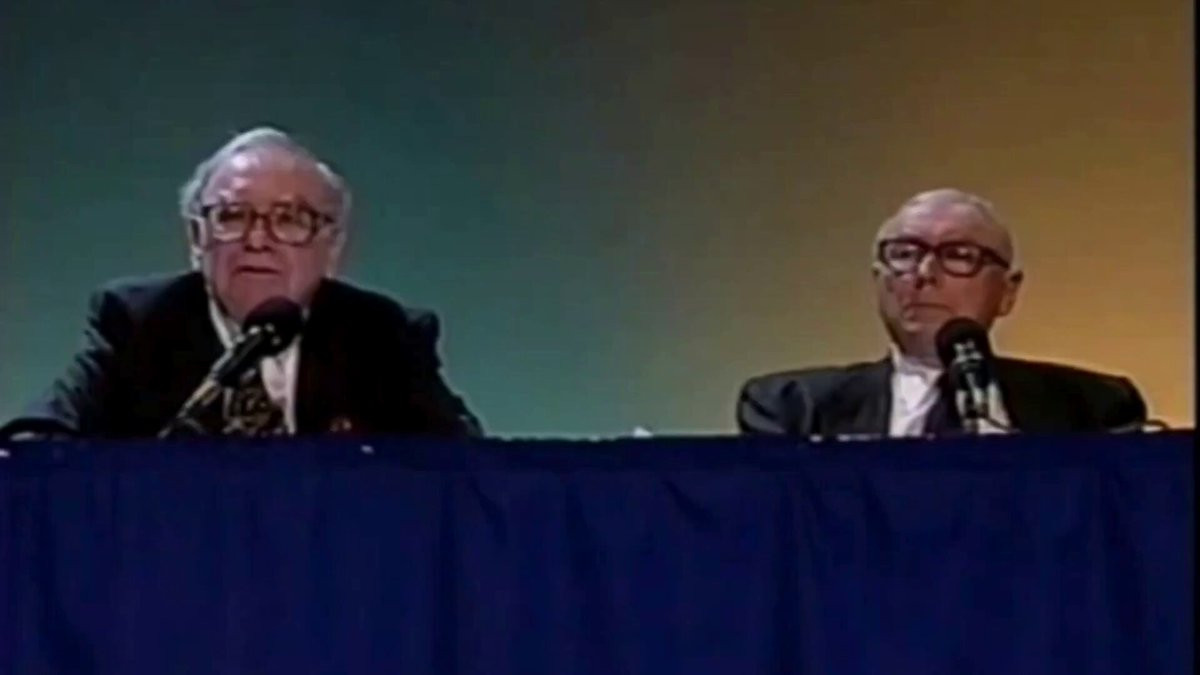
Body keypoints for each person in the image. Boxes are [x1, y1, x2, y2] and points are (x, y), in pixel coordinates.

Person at [2, 126, 482, 439]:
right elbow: (37, 441)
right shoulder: (139, 323)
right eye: (232, 217)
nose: (257, 240)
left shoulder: (382, 335)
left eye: (289, 219)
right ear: (197, 239)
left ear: (332, 246)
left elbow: (467, 467)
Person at [736, 188, 1148, 438]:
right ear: (878, 279)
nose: (924, 274)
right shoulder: (794, 408)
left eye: (959, 255)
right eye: (904, 254)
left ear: (1007, 292)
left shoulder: (1093, 409)